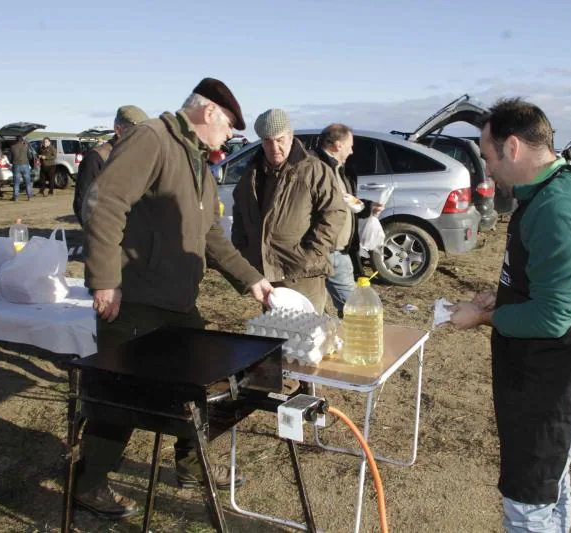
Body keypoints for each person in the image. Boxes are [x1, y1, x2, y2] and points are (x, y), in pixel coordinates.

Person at [77, 78, 274, 520]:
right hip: (135, 300)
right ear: (208, 113)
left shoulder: (196, 161)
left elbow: (210, 236)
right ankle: (89, 482)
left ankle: (190, 467)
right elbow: (104, 203)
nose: (228, 137)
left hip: (177, 302)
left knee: (207, 385)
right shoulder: (152, 138)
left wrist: (253, 282)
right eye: (227, 127)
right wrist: (105, 280)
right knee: (121, 398)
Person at [448, 98, 571, 533]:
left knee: (530, 499)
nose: (487, 170)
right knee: (550, 483)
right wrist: (500, 298)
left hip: (566, 376)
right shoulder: (550, 189)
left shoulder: (556, 208)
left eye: (488, 156)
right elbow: (547, 284)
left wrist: (485, 319)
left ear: (514, 147)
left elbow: (555, 316)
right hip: (554, 369)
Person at [231, 109, 347, 314]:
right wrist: (244, 251)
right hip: (266, 275)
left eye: (279, 140)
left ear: (291, 136)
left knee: (308, 336)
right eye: (267, 141)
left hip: (302, 274)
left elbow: (334, 212)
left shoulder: (314, 169)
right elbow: (240, 213)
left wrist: (313, 253)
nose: (274, 147)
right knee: (276, 335)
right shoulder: (251, 174)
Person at [314, 123, 384, 316]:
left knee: (350, 308)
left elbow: (344, 200)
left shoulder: (340, 169)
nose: (352, 151)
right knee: (351, 310)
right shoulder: (316, 168)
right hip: (324, 250)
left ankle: (340, 339)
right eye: (349, 145)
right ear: (337, 145)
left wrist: (367, 207)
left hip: (339, 250)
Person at [73, 105, 148, 227]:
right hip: (109, 235)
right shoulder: (96, 158)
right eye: (137, 131)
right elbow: (82, 206)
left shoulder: (140, 157)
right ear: (118, 130)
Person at [8, 135, 32, 201]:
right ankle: (29, 196)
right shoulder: (26, 146)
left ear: (16, 140)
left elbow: (9, 157)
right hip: (25, 165)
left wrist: (12, 162)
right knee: (27, 181)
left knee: (16, 182)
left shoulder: (12, 147)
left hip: (16, 165)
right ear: (22, 140)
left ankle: (15, 197)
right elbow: (30, 156)